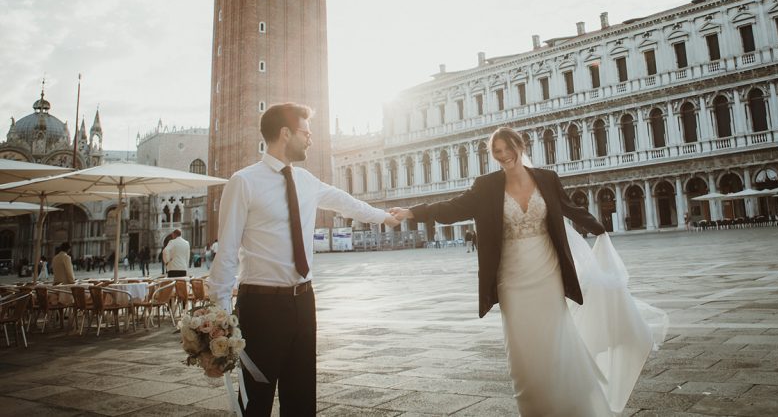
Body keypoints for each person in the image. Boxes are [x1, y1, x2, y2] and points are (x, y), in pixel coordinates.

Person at [390, 126, 658, 417]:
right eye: (497, 152)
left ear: (521, 145)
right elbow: (454, 207)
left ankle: (570, 406)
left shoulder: (547, 178)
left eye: (508, 148)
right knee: (523, 352)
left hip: (548, 273)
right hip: (511, 277)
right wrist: (413, 212)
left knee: (556, 343)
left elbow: (568, 208)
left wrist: (599, 228)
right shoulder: (487, 185)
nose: (504, 156)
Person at [208, 102, 400, 416]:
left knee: (301, 400)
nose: (311, 139)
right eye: (306, 132)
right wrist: (219, 319)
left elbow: (344, 202)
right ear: (285, 133)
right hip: (260, 304)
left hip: (303, 301)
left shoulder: (307, 181)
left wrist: (385, 216)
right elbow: (226, 252)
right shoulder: (243, 182)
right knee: (255, 400)